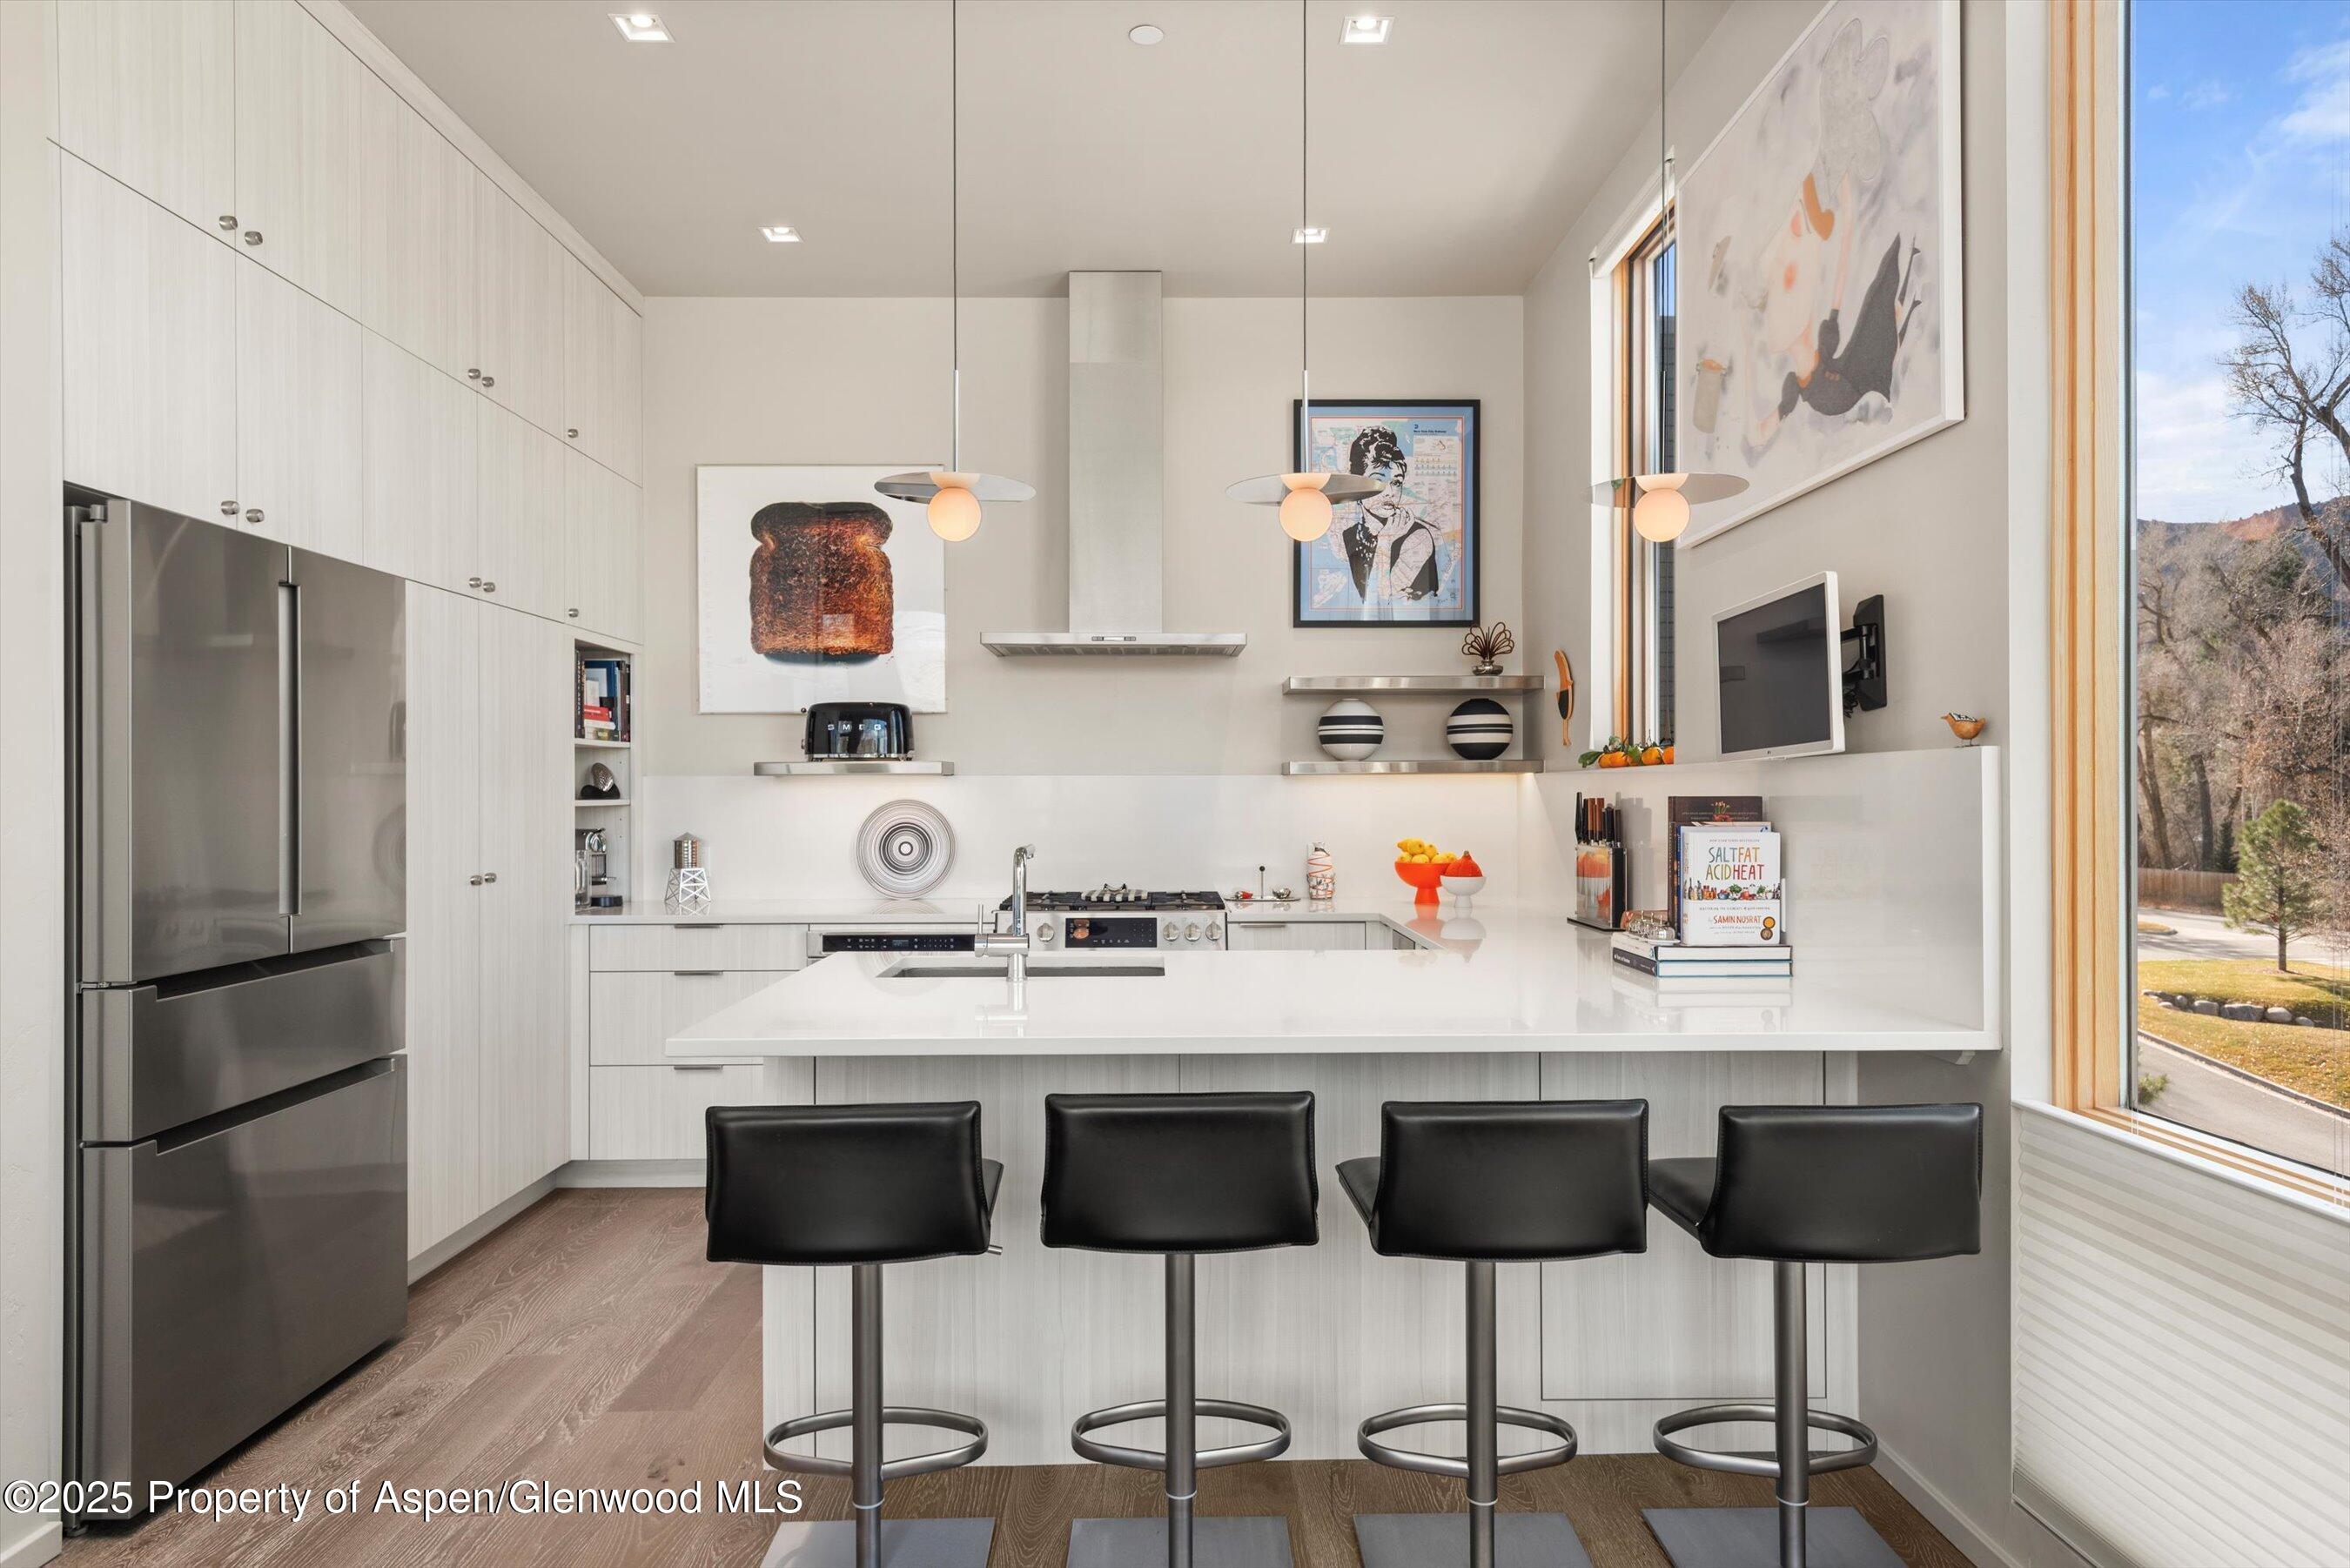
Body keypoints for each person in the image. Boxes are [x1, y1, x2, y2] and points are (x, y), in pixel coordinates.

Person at [1338, 426, 1440, 606]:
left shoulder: (1418, 537)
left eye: (1396, 482)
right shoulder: (1348, 535)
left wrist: (1385, 540)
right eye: (1378, 480)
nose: (1390, 492)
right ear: (1356, 484)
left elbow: (1382, 603)